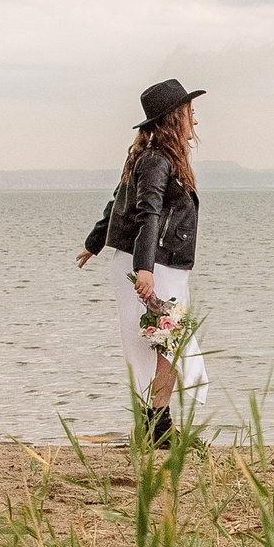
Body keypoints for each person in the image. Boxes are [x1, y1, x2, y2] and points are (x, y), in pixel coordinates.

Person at [77, 78, 208, 448]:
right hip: (155, 264)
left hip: (162, 264)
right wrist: (145, 267)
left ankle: (157, 425)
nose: (194, 122)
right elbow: (145, 212)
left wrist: (95, 242)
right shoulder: (156, 160)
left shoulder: (155, 156)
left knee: (166, 344)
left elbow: (118, 202)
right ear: (173, 118)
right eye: (190, 114)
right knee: (167, 342)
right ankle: (157, 426)